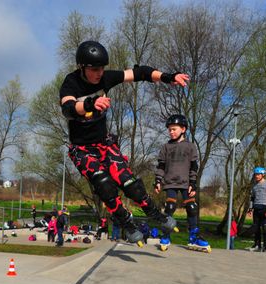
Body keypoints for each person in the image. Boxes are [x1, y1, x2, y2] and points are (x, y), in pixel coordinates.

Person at [59, 40, 189, 243]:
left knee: (129, 183)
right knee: (103, 184)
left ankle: (155, 213)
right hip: (82, 149)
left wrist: (167, 77)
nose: (99, 73)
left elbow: (140, 73)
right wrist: (91, 103)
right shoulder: (71, 82)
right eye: (94, 69)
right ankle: (125, 221)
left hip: (104, 144)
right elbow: (67, 108)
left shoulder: (106, 78)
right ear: (82, 67)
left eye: (101, 69)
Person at [154, 114, 210, 251]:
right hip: (170, 182)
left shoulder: (190, 147)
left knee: (192, 208)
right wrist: (158, 181)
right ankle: (166, 235)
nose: (171, 132)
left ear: (183, 129)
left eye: (174, 129)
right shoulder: (166, 147)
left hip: (186, 183)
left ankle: (193, 238)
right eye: (169, 130)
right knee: (170, 207)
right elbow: (161, 166)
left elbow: (194, 167)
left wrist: (193, 183)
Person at [248, 167, 266, 252]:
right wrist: (250, 209)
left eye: (258, 174)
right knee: (256, 228)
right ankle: (257, 245)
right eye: (255, 174)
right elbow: (252, 198)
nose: (257, 176)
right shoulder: (254, 186)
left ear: (263, 175)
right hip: (256, 209)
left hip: (265, 209)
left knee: (265, 228)